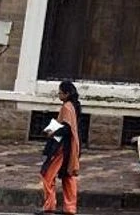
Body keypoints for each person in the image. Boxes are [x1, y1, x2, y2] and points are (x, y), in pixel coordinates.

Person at [38, 81, 81, 215]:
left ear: (67, 94)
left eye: (60, 92)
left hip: (61, 148)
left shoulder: (67, 107)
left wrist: (53, 132)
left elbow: (67, 128)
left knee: (47, 175)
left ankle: (49, 207)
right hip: (70, 148)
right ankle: (70, 208)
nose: (58, 95)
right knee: (68, 176)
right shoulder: (74, 106)